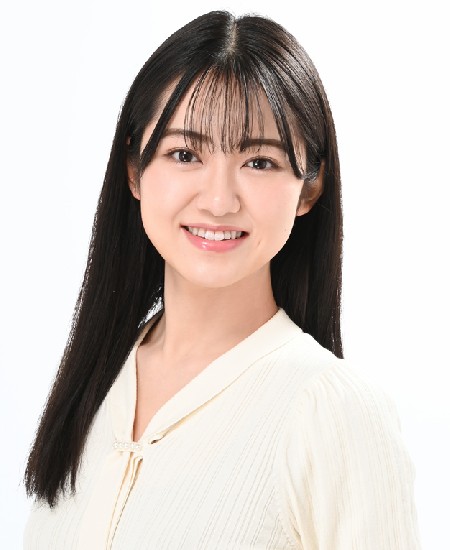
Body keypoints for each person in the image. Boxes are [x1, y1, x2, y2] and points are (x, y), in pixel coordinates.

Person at [23, 10, 421, 549]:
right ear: (135, 170)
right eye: (184, 154)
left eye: (259, 162)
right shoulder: (97, 380)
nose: (218, 200)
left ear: (310, 187)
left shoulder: (334, 413)